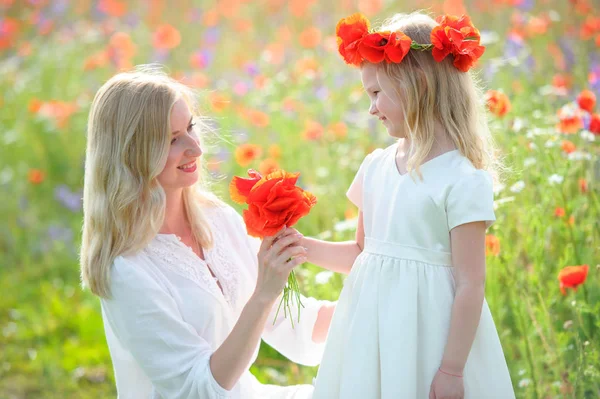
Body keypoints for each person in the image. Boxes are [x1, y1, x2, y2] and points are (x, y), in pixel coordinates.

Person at [79, 66, 335, 399]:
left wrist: (379, 294)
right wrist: (263, 294)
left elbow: (295, 328)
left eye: (190, 128)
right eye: (172, 140)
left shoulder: (218, 220)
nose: (195, 148)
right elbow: (197, 390)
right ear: (132, 153)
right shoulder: (127, 269)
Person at [303, 12, 515, 399]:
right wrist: (301, 247)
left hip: (431, 340)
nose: (371, 108)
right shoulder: (375, 167)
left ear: (417, 84)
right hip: (374, 338)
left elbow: (471, 283)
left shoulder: (462, 179)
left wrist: (451, 370)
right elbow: (362, 253)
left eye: (376, 93)